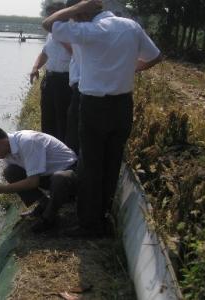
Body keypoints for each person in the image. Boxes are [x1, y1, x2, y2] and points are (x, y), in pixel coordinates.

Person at [42, 0, 162, 237]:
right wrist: (129, 68)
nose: (73, 20)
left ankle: (89, 224)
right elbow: (156, 56)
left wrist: (77, 8)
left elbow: (49, 23)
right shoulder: (131, 26)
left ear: (84, 13)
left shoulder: (89, 30)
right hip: (122, 104)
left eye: (76, 15)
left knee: (90, 165)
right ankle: (104, 217)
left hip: (94, 105)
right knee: (112, 162)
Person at [0, 123, 77, 233]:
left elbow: (33, 182)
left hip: (70, 175)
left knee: (59, 178)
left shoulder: (28, 141)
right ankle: (44, 204)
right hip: (47, 176)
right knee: (10, 172)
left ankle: (49, 218)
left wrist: (0, 189)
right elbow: (20, 177)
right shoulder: (7, 150)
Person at [29, 2, 73, 142]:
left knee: (63, 121)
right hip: (49, 80)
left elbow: (79, 54)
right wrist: (35, 67)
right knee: (47, 119)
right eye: (49, 15)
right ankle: (49, 150)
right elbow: (44, 52)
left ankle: (65, 156)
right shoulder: (50, 34)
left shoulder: (73, 31)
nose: (51, 18)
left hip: (66, 81)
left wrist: (61, 38)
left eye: (54, 14)